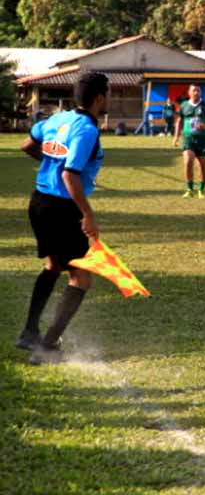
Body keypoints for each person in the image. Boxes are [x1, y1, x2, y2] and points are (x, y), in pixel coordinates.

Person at [17, 72, 109, 364]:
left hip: (39, 202)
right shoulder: (86, 129)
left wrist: (50, 164)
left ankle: (30, 331)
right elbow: (70, 174)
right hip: (61, 207)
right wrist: (88, 215)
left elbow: (28, 145)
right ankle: (46, 345)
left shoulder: (57, 120)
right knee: (81, 278)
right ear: (99, 98)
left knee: (54, 264)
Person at [173, 84, 205, 198]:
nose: (197, 93)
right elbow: (179, 121)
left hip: (202, 139)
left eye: (198, 91)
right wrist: (176, 137)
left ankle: (201, 190)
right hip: (188, 139)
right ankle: (189, 189)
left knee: (202, 166)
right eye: (194, 90)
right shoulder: (184, 105)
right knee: (188, 162)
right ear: (189, 92)